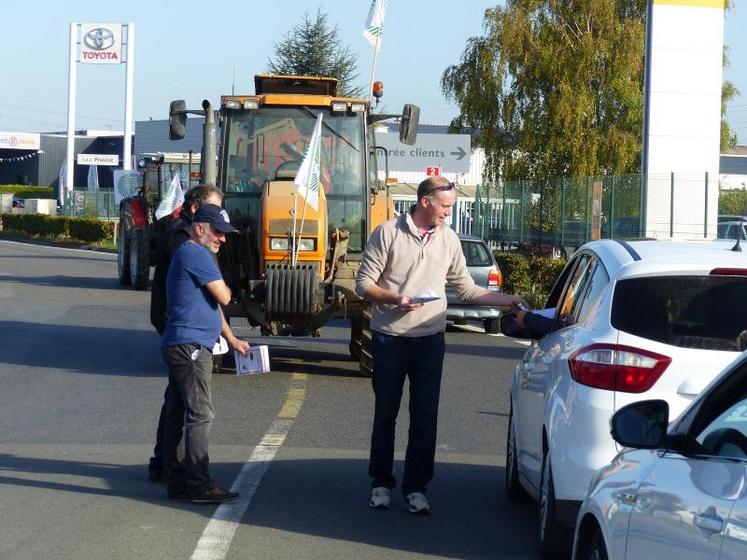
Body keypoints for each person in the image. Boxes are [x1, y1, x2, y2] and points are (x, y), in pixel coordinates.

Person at [355, 176, 528, 514]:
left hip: (430, 341)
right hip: (390, 338)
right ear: (425, 201)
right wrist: (396, 298)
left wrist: (509, 300)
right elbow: (364, 284)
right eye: (445, 206)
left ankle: (416, 488)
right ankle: (380, 483)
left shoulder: (449, 239)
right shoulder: (388, 233)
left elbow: (467, 290)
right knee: (385, 415)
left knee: (425, 417)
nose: (449, 212)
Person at [147, 185, 249, 483]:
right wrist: (224, 287)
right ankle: (193, 479)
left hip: (185, 337)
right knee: (198, 413)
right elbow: (223, 297)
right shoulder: (191, 248)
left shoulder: (192, 247)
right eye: (217, 231)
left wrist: (230, 339)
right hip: (187, 341)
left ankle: (173, 473)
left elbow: (211, 301)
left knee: (181, 405)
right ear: (199, 223)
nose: (223, 238)